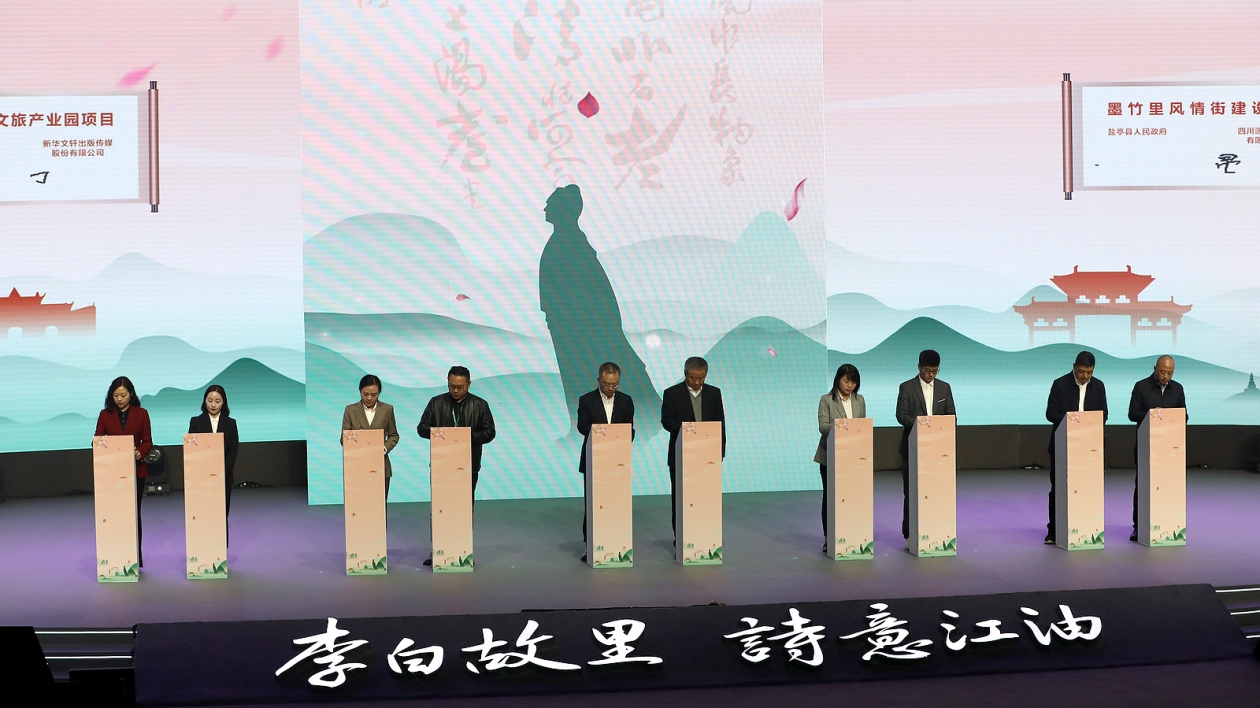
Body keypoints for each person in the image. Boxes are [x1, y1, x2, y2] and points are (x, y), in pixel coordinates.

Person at [538, 184, 661, 436]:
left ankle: (625, 420)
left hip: (577, 326)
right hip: (569, 324)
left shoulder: (570, 242)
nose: (545, 208)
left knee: (582, 373)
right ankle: (582, 426)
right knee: (580, 374)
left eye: (550, 204)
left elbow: (587, 290)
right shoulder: (568, 240)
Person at [417, 366, 496, 564]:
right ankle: (438, 551)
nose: (456, 390)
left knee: (464, 509)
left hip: (468, 465)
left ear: (468, 384)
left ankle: (463, 551)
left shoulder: (480, 405)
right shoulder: (436, 402)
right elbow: (421, 428)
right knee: (440, 509)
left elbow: (490, 432)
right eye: (452, 386)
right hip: (441, 465)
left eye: (460, 387)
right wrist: (441, 434)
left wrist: (465, 437)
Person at [1045, 351, 1108, 545]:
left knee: (1087, 489)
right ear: (1074, 367)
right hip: (1062, 445)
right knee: (1059, 488)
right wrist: (1071, 421)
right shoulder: (1060, 384)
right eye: (1081, 371)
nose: (1085, 376)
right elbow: (1050, 413)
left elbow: (1104, 414)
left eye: (1089, 372)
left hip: (1088, 448)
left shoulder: (1099, 386)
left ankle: (1085, 529)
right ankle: (1054, 531)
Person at [660, 356, 725, 541]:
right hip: (681, 455)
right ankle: (681, 540)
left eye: (701, 378)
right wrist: (689, 430)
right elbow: (667, 421)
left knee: (705, 498)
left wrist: (720, 451)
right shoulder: (672, 393)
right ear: (685, 374)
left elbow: (720, 423)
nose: (697, 382)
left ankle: (705, 538)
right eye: (693, 378)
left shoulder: (714, 393)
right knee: (681, 499)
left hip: (707, 456)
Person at [895, 350, 956, 546]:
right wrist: (923, 425)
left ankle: (935, 530)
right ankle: (909, 535)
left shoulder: (945, 388)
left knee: (936, 492)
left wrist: (939, 428)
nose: (930, 375)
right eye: (927, 370)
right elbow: (901, 415)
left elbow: (951, 416)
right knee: (911, 492)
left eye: (935, 371)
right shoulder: (906, 387)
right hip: (913, 448)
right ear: (919, 367)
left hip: (938, 451)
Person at [576, 362, 636, 557]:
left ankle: (616, 543)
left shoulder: (626, 401)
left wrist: (622, 437)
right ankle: (591, 545)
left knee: (616, 503)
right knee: (594, 504)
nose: (611, 388)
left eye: (615, 384)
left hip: (618, 460)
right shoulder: (586, 400)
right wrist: (604, 435)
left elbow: (630, 428)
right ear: (598, 380)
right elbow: (582, 427)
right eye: (607, 384)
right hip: (594, 459)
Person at [93, 376, 153, 568]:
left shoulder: (142, 414)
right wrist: (101, 446)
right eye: (116, 395)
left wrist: (139, 452)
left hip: (135, 471)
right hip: (112, 473)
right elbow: (97, 439)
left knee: (133, 514)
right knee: (114, 514)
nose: (119, 399)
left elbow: (147, 441)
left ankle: (135, 558)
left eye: (123, 395)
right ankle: (115, 557)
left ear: (131, 394)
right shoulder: (105, 414)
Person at [1127, 355, 1186, 542]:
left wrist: (1171, 417)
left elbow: (1184, 415)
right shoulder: (1141, 387)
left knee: (1167, 487)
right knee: (1143, 486)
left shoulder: (1178, 389)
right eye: (1162, 372)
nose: (1165, 376)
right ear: (1155, 368)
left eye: (1170, 373)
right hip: (1146, 446)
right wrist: (1153, 415)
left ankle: (1165, 524)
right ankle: (1138, 527)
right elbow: (1132, 414)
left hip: (1169, 449)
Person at [815, 364, 866, 550]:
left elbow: (862, 427)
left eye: (853, 382)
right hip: (830, 455)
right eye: (846, 381)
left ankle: (849, 534)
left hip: (853, 458)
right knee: (830, 496)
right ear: (838, 380)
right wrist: (841, 426)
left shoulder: (859, 400)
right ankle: (829, 537)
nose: (850, 385)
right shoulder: (826, 400)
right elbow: (823, 426)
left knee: (851, 496)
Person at [188, 385, 239, 543]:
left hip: (223, 478)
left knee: (221, 515)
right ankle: (203, 547)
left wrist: (221, 472)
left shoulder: (230, 423)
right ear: (205, 401)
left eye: (217, 401)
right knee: (203, 514)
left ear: (224, 402)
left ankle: (221, 549)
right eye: (210, 400)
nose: (213, 404)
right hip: (201, 479)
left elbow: (233, 451)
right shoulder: (196, 422)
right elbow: (192, 449)